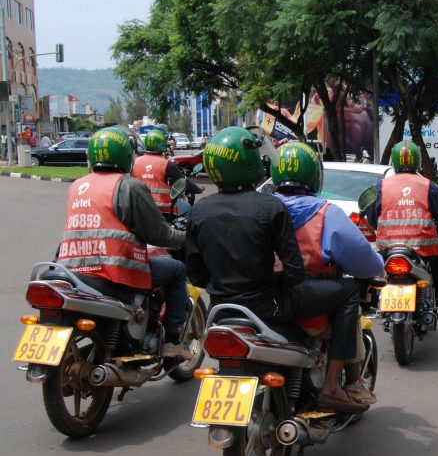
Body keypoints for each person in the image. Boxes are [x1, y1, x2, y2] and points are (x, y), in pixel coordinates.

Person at [185, 127, 365, 413]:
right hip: (270, 306)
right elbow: (294, 272)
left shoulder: (199, 211)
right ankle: (332, 386)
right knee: (348, 292)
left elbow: (196, 275)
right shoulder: (270, 207)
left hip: (221, 309)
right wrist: (274, 280)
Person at [57, 127, 191, 360]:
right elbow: (159, 235)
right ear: (127, 156)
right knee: (177, 271)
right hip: (115, 273)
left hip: (72, 272)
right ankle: (172, 341)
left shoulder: (76, 185)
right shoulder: (128, 186)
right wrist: (185, 237)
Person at [270, 142, 384, 404]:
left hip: (266, 305)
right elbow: (364, 261)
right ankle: (347, 384)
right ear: (315, 175)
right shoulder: (325, 214)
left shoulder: (263, 208)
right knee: (349, 299)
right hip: (313, 312)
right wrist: (378, 262)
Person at [364, 140, 438, 315]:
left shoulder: (381, 186)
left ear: (394, 161)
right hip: (423, 250)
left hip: (388, 249)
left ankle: (375, 299)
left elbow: (372, 219)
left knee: (377, 274)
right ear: (418, 161)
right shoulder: (429, 186)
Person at [131, 129, 203, 215]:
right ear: (162, 144)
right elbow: (183, 182)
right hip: (163, 208)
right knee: (187, 208)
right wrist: (198, 189)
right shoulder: (167, 164)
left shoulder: (135, 162)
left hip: (140, 207)